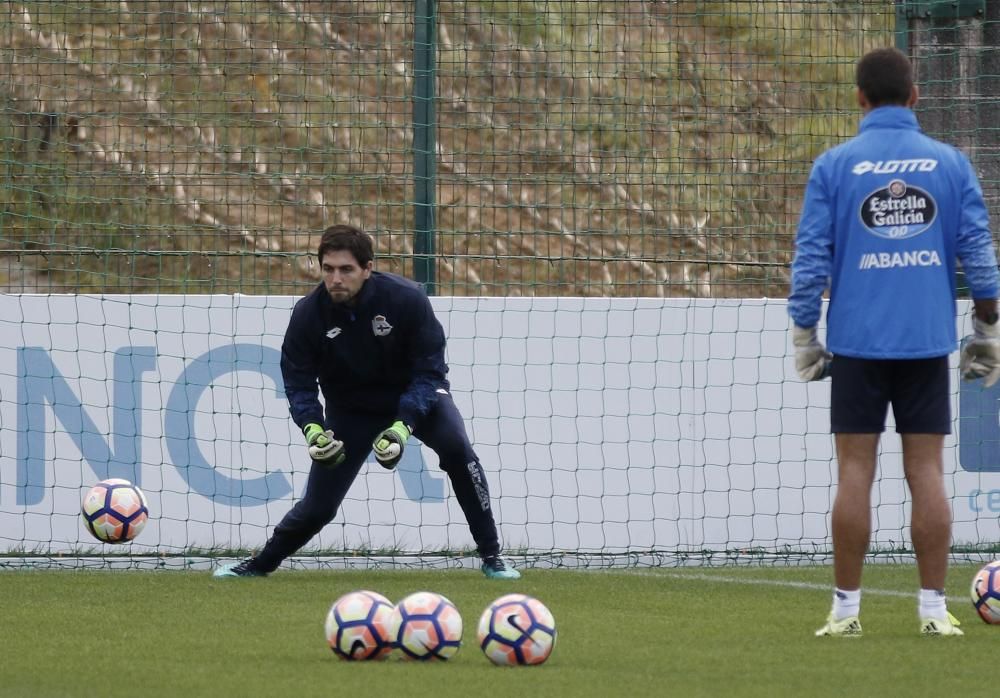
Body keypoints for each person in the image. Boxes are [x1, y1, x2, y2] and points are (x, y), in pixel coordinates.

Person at [789, 47, 1000, 637]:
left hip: (856, 344)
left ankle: (846, 612)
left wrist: (805, 332)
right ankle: (933, 612)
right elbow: (979, 253)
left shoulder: (834, 166)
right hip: (925, 342)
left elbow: (811, 259)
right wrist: (988, 326)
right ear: (915, 97)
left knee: (854, 473)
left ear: (859, 99)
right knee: (926, 471)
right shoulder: (951, 164)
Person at [214, 224, 520, 580]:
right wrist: (314, 430)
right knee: (319, 507)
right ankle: (259, 566)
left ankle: (492, 555)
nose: (336, 278)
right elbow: (298, 382)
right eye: (328, 269)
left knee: (458, 451)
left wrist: (403, 427)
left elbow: (430, 371)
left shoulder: (407, 300)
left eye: (346, 269)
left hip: (416, 399)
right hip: (352, 410)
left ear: (367, 268)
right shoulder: (308, 315)